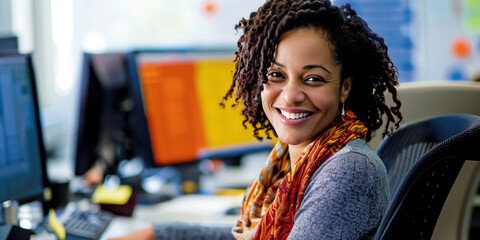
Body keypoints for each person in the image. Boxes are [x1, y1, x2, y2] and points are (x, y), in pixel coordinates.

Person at [109, 0, 402, 239]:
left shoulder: (347, 169)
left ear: (345, 87)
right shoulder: (292, 163)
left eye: (313, 79)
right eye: (276, 75)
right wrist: (157, 234)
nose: (290, 96)